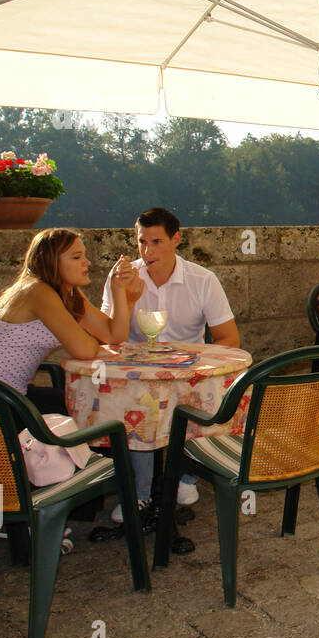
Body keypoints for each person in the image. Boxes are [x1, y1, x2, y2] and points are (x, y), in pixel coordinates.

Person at [102, 206, 240, 514]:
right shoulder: (123, 278)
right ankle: (140, 490)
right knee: (138, 399)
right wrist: (123, 295)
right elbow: (111, 340)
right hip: (140, 373)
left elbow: (229, 339)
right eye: (141, 242)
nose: (147, 250)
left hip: (187, 371)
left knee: (210, 390)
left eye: (156, 242)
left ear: (176, 239)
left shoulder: (202, 280)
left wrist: (193, 362)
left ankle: (187, 476)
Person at [0, 228, 139, 413]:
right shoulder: (38, 292)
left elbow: (114, 336)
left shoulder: (67, 293)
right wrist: (87, 340)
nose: (87, 263)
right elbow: (85, 351)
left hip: (11, 394)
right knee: (94, 412)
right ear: (52, 261)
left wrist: (119, 289)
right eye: (77, 257)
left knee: (97, 407)